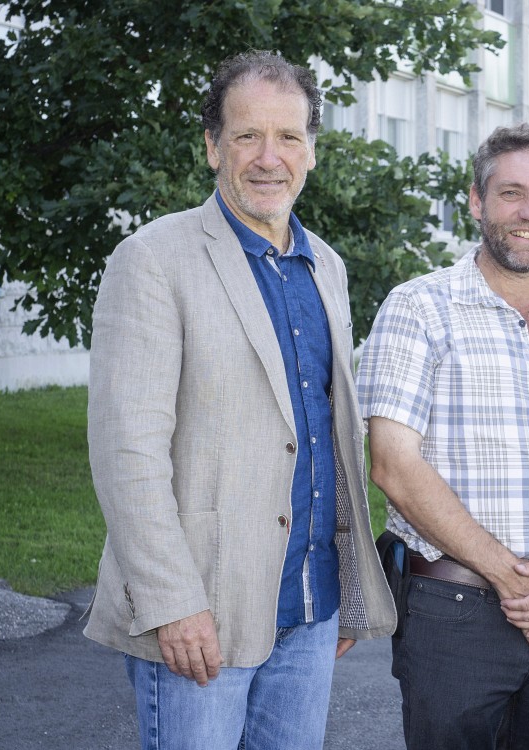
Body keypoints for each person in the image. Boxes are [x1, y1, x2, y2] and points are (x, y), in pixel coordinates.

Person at [84, 50, 396, 750]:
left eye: (288, 136)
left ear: (311, 150)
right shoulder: (154, 259)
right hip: (203, 613)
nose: (268, 157)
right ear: (212, 146)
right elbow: (126, 452)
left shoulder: (326, 265)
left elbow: (326, 438)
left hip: (310, 608)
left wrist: (341, 590)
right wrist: (171, 602)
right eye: (247, 135)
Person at [356, 122, 529, 749]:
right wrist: (510, 576)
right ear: (477, 202)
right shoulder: (418, 307)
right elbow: (392, 464)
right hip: (453, 617)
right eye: (511, 193)